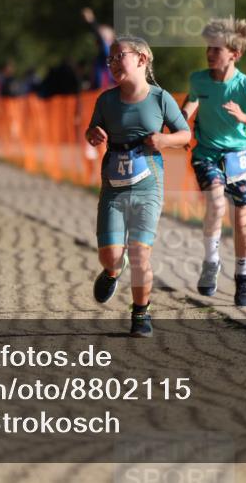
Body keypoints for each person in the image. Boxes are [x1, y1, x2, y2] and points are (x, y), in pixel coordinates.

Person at [86, 37, 191, 337]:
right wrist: (93, 134)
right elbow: (91, 131)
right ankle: (111, 272)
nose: (114, 63)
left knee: (140, 253)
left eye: (120, 56)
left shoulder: (160, 98)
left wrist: (164, 140)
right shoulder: (106, 100)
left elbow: (184, 135)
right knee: (110, 255)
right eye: (111, 59)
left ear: (142, 60)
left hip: (148, 185)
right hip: (114, 187)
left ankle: (141, 312)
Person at [181, 17, 246, 307]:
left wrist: (243, 117)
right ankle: (211, 263)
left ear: (235, 53)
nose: (210, 54)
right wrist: (184, 117)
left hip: (239, 157)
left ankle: (243, 279)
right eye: (208, 48)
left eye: (217, 49)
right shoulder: (198, 79)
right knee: (216, 204)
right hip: (206, 153)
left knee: (241, 219)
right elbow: (193, 99)